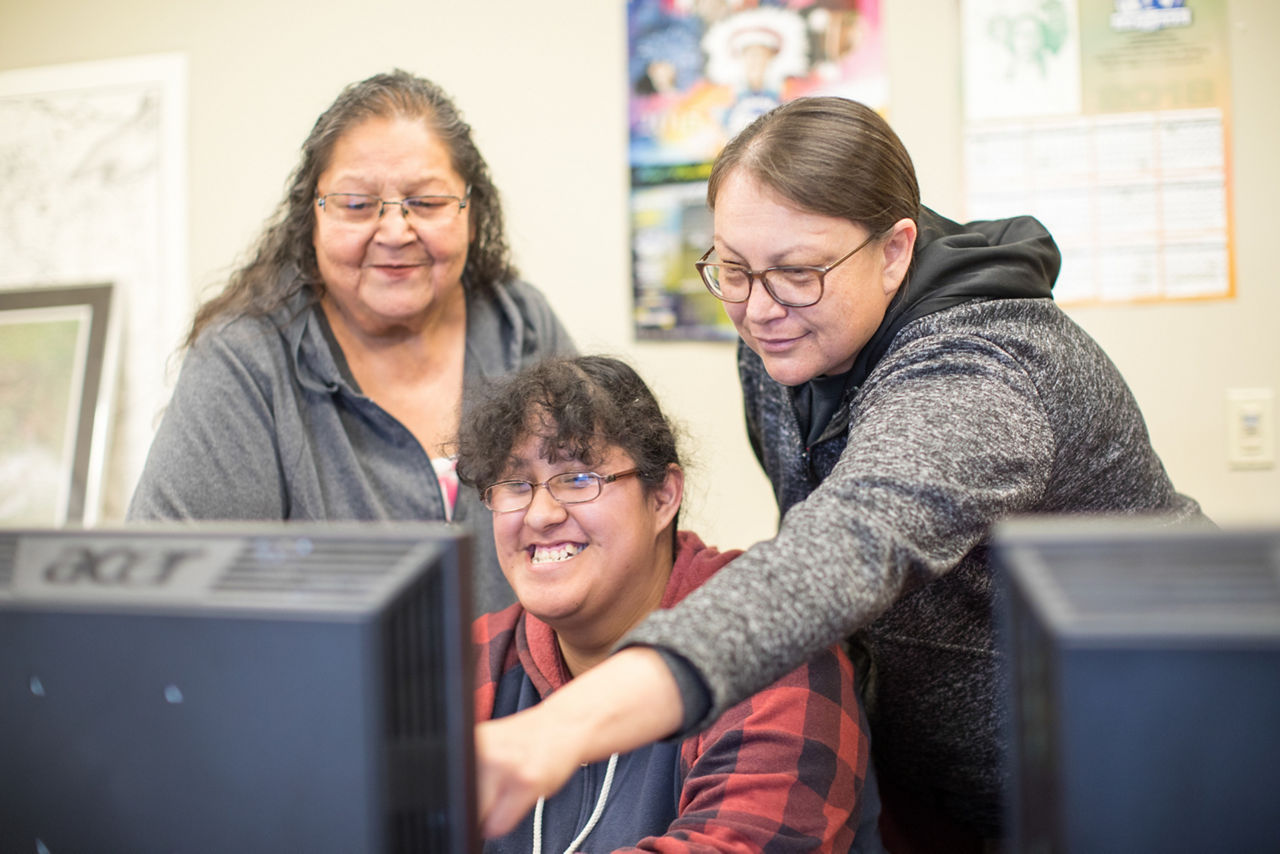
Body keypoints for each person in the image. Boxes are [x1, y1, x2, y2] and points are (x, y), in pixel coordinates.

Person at [472, 97, 1207, 850]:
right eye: (731, 269)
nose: (757, 310)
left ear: (894, 251)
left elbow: (846, 547)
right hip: (945, 790)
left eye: (796, 271)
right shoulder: (787, 342)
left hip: (1137, 783)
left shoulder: (984, 370)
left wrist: (560, 728)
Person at [127, 70, 575, 614]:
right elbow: (168, 593)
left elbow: (609, 527)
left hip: (537, 697)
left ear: (471, 214)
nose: (393, 232)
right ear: (310, 218)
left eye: (427, 202)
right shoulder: (245, 361)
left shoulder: (522, 325)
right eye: (357, 204)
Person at [458, 355, 872, 852]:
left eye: (578, 478)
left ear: (663, 498)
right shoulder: (471, 659)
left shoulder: (770, 652)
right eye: (514, 485)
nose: (541, 514)